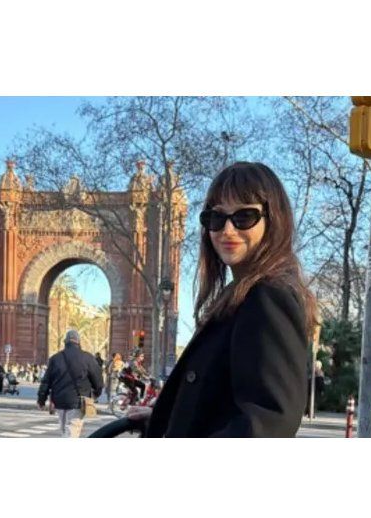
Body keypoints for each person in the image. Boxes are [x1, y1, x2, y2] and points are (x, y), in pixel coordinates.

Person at [128, 162, 315, 437]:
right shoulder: (239, 294)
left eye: (244, 217)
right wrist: (166, 419)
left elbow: (269, 420)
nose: (227, 230)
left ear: (273, 219)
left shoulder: (268, 296)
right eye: (216, 218)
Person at [37, 329, 104, 437]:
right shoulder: (88, 358)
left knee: (65, 431)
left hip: (59, 401)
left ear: (65, 341)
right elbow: (98, 379)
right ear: (78, 342)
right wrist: (96, 393)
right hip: (78, 401)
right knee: (71, 433)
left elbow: (46, 382)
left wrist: (41, 400)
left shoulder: (55, 358)